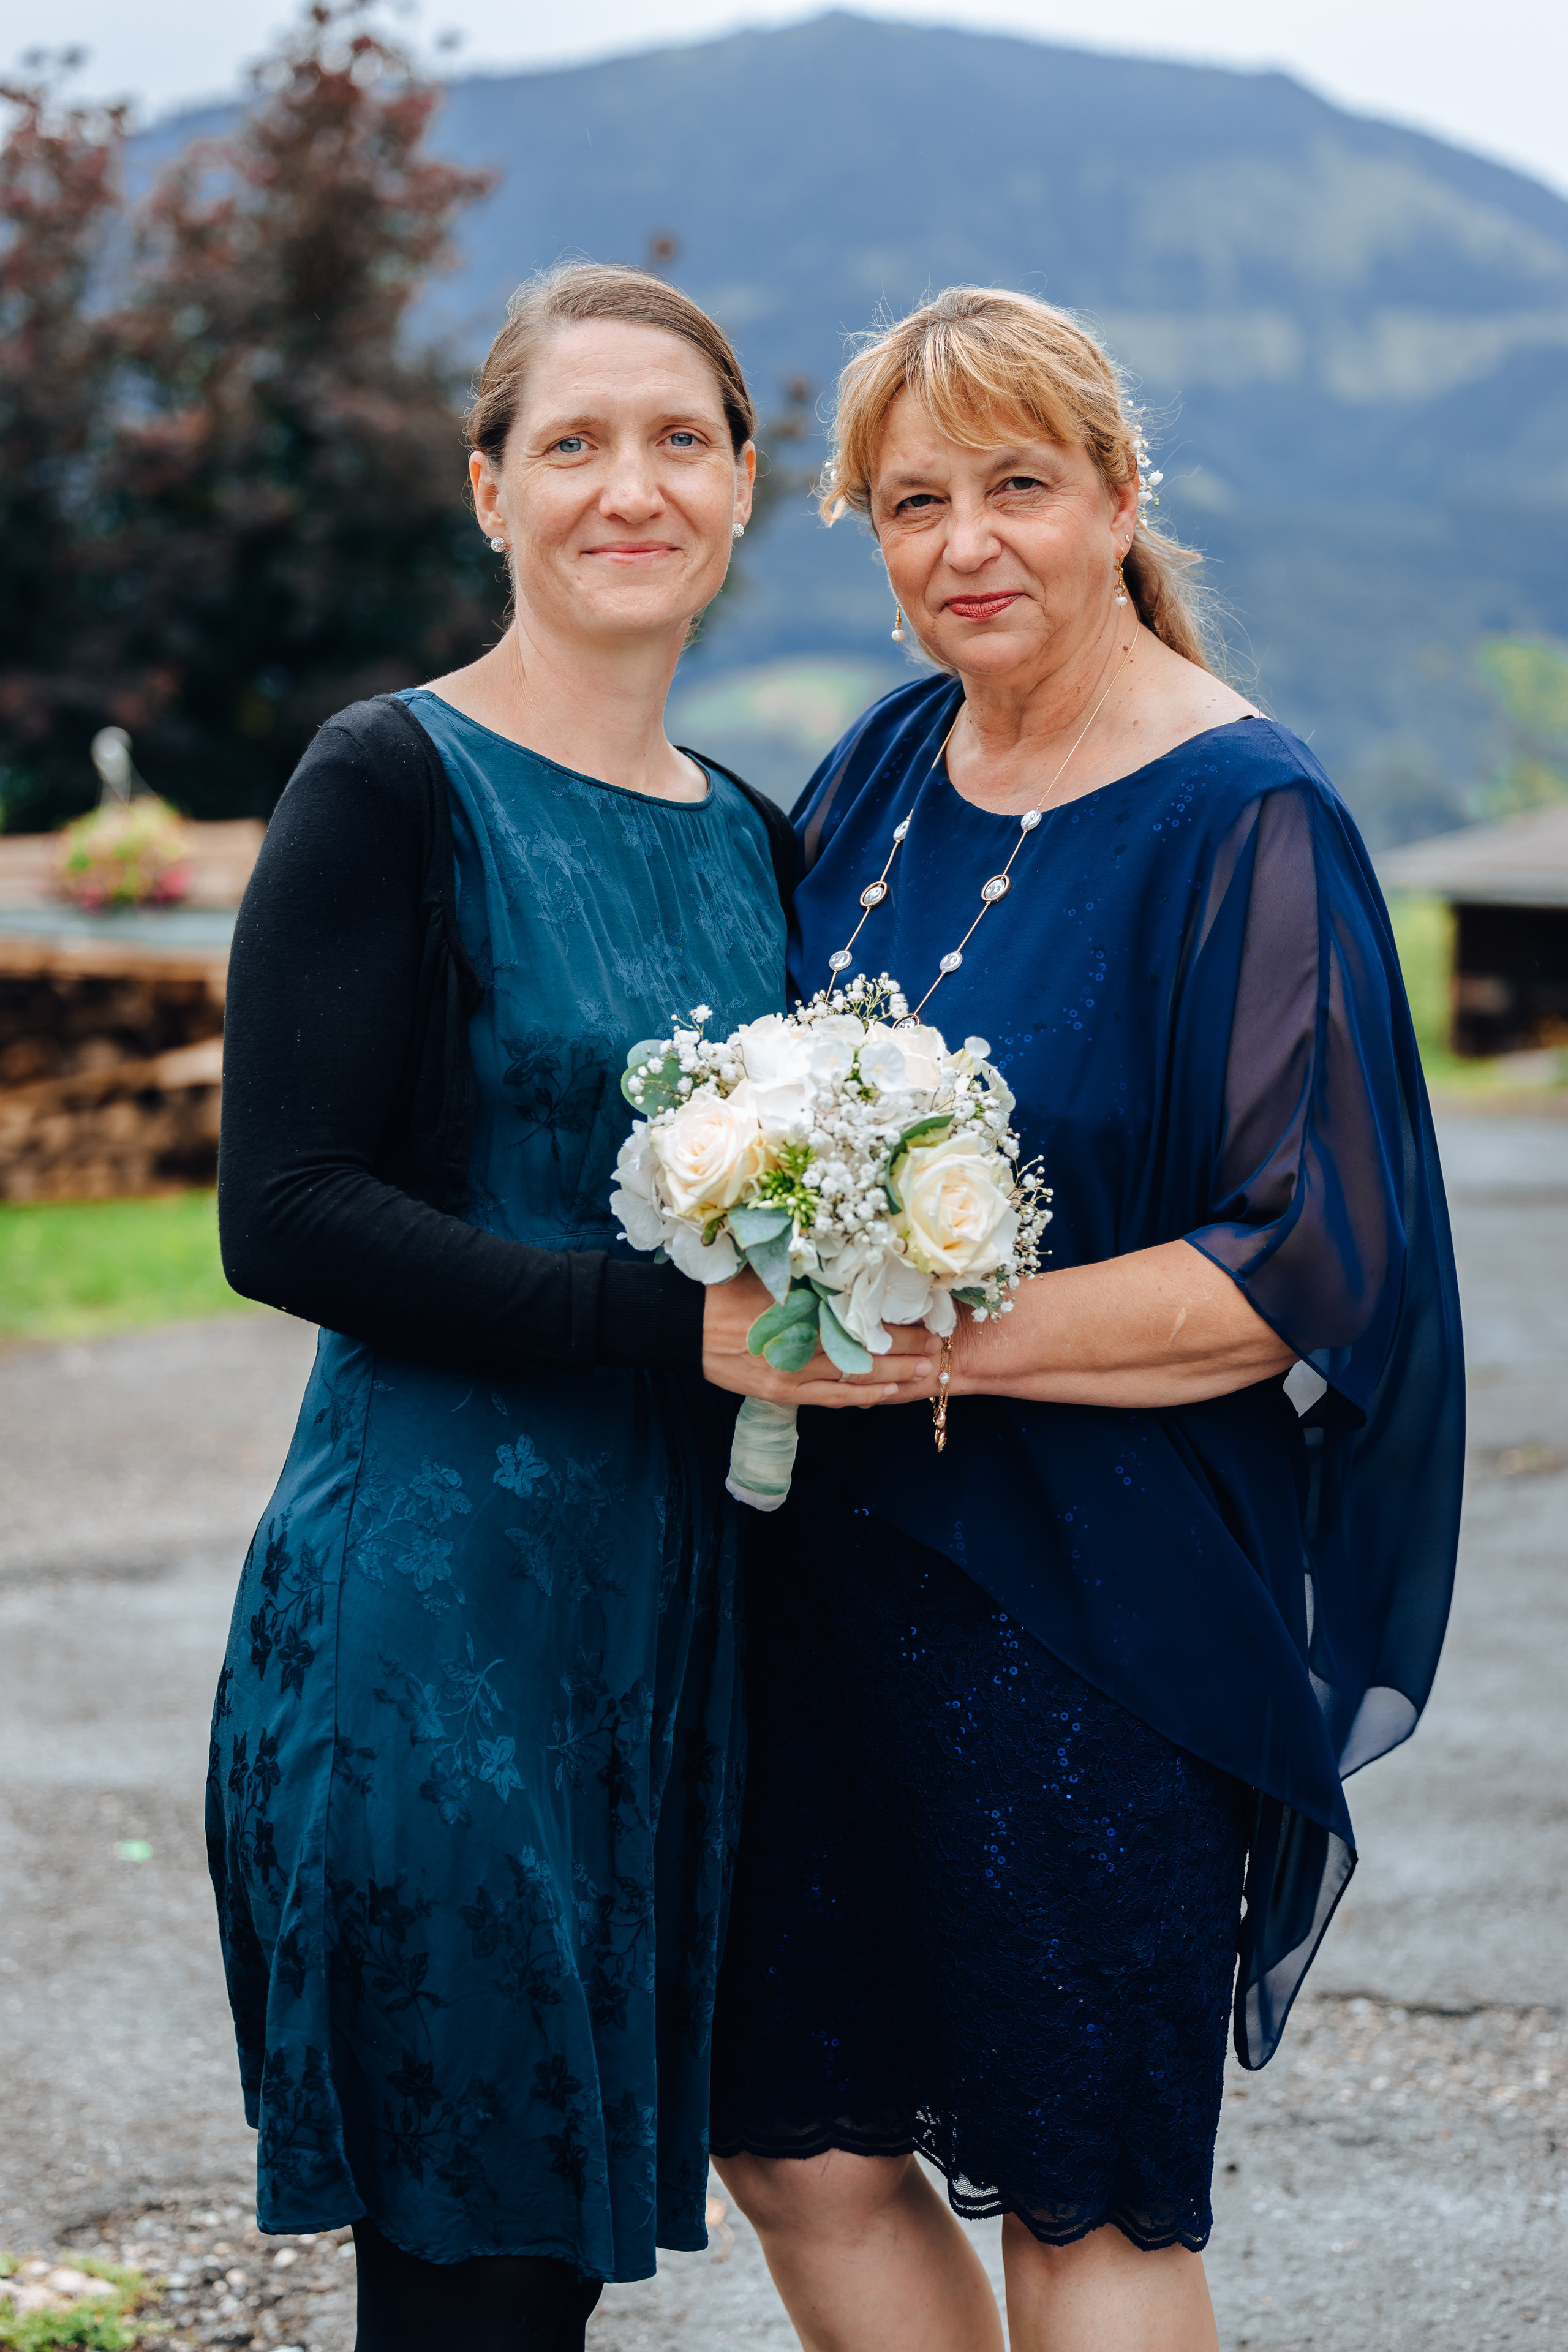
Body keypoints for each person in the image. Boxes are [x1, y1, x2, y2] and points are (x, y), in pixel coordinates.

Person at [709, 287, 1463, 2352]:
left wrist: (924, 1336)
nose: (968, 544)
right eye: (914, 500)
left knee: (1084, 2194)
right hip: (819, 1594)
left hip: (1092, 1624)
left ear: (1122, 499)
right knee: (802, 2145)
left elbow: (1294, 1263)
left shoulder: (1247, 815)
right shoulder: (879, 765)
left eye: (1020, 487)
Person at [208, 261, 932, 2352]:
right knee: (481, 2293)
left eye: (680, 441)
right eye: (575, 443)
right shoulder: (390, 781)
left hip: (674, 1635)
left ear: (735, 491)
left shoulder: (752, 845)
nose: (633, 486)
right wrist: (657, 1325)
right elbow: (290, 1213)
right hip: (436, 1628)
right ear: (490, 492)